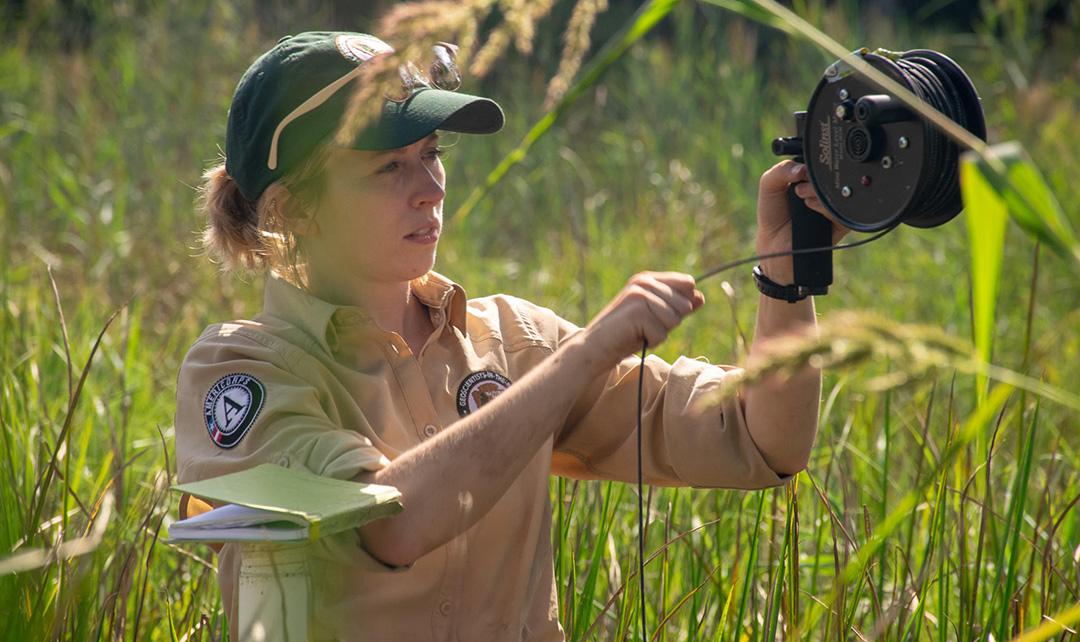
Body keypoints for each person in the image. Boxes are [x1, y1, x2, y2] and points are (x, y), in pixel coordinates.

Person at [175, 31, 843, 641]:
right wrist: (584, 357)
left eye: (431, 154)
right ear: (293, 206)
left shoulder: (511, 341)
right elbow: (389, 524)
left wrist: (787, 275)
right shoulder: (243, 372)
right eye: (388, 168)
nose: (430, 188)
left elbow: (761, 442)